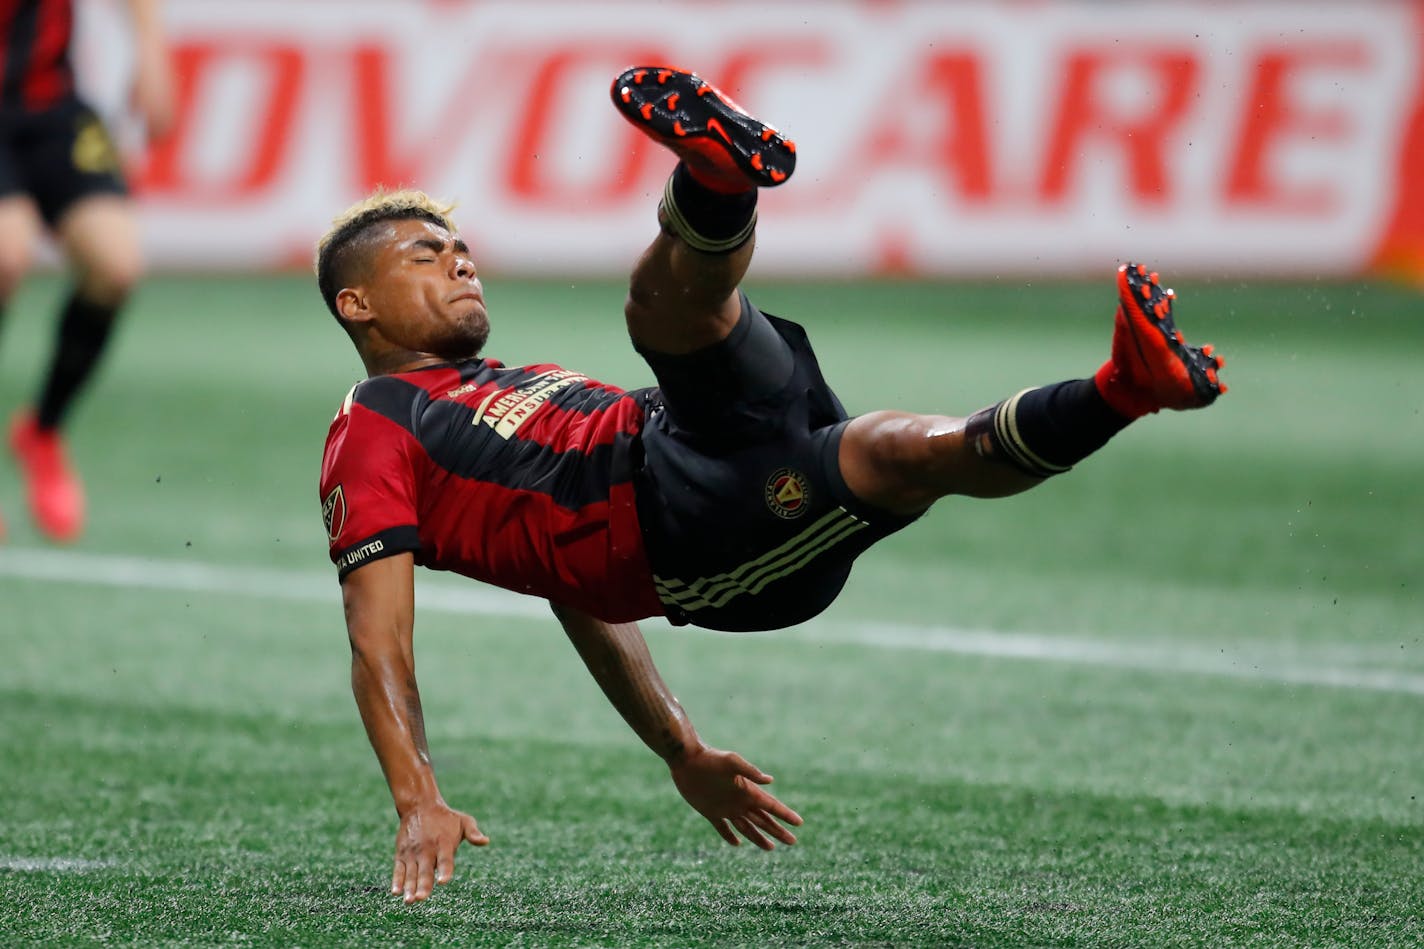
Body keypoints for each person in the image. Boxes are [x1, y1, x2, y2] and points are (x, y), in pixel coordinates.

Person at [316, 65, 1226, 904]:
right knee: (894, 450)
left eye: (461, 246)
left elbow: (565, 583)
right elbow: (380, 639)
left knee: (669, 309)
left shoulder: (496, 385)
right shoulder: (373, 428)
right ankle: (1123, 390)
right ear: (357, 304)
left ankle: (721, 177)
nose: (461, 260)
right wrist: (418, 797)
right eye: (426, 255)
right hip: (693, 534)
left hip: (680, 430)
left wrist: (677, 747)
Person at [1, 0, 174, 542]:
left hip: (52, 105)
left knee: (115, 264)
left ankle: (43, 428)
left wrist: (150, 49)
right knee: (6, 253)